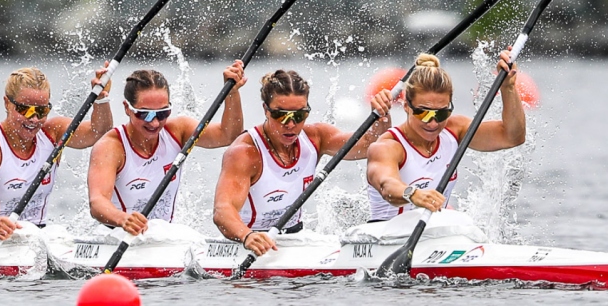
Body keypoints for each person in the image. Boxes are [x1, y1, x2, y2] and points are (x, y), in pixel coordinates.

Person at [212, 69, 393, 256]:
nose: (290, 124)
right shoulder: (245, 153)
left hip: (294, 240)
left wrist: (382, 115)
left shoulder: (316, 137)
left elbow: (371, 145)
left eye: (299, 115)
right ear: (266, 110)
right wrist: (247, 236)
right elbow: (223, 211)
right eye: (281, 115)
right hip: (249, 243)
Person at [87, 60, 248, 236]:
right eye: (145, 114)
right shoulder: (111, 147)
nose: (155, 123)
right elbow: (97, 202)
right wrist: (123, 219)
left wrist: (232, 93)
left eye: (163, 113)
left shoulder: (178, 130)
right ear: (127, 108)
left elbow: (228, 135)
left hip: (162, 238)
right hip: (119, 236)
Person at [0, 64, 114, 241]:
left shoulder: (53, 133)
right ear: (7, 103)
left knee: (59, 234)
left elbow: (99, 133)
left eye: (41, 111)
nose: (34, 119)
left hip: (35, 237)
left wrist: (101, 98)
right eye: (25, 110)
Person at [366, 50, 525, 222]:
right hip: (388, 237)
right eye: (423, 113)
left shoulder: (454, 129)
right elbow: (386, 186)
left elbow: (512, 136)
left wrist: (508, 88)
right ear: (406, 106)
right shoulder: (388, 147)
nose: (433, 123)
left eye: (441, 113)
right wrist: (412, 194)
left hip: (433, 236)